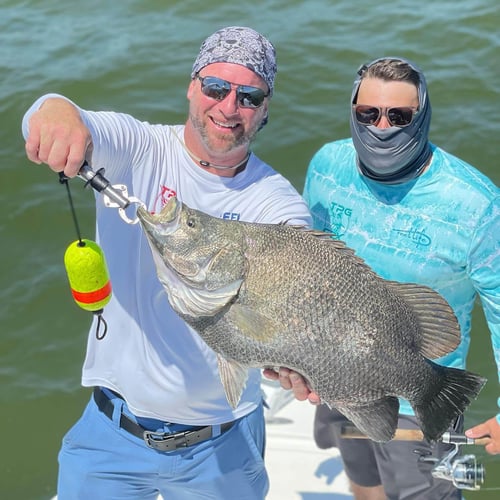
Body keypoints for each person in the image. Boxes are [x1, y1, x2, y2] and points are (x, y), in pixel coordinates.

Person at [22, 26, 312, 500]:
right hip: (110, 433)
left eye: (249, 96)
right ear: (192, 86)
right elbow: (53, 115)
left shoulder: (276, 204)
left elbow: (302, 279)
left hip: (224, 443)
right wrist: (53, 111)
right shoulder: (138, 147)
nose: (228, 107)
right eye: (215, 88)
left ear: (264, 109)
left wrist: (302, 361)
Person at [302, 57, 500, 499]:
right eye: (368, 114)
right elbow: (309, 268)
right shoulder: (326, 165)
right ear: (352, 112)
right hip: (337, 379)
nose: (383, 126)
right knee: (364, 481)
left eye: (400, 115)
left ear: (422, 115)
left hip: (423, 397)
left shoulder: (477, 205)